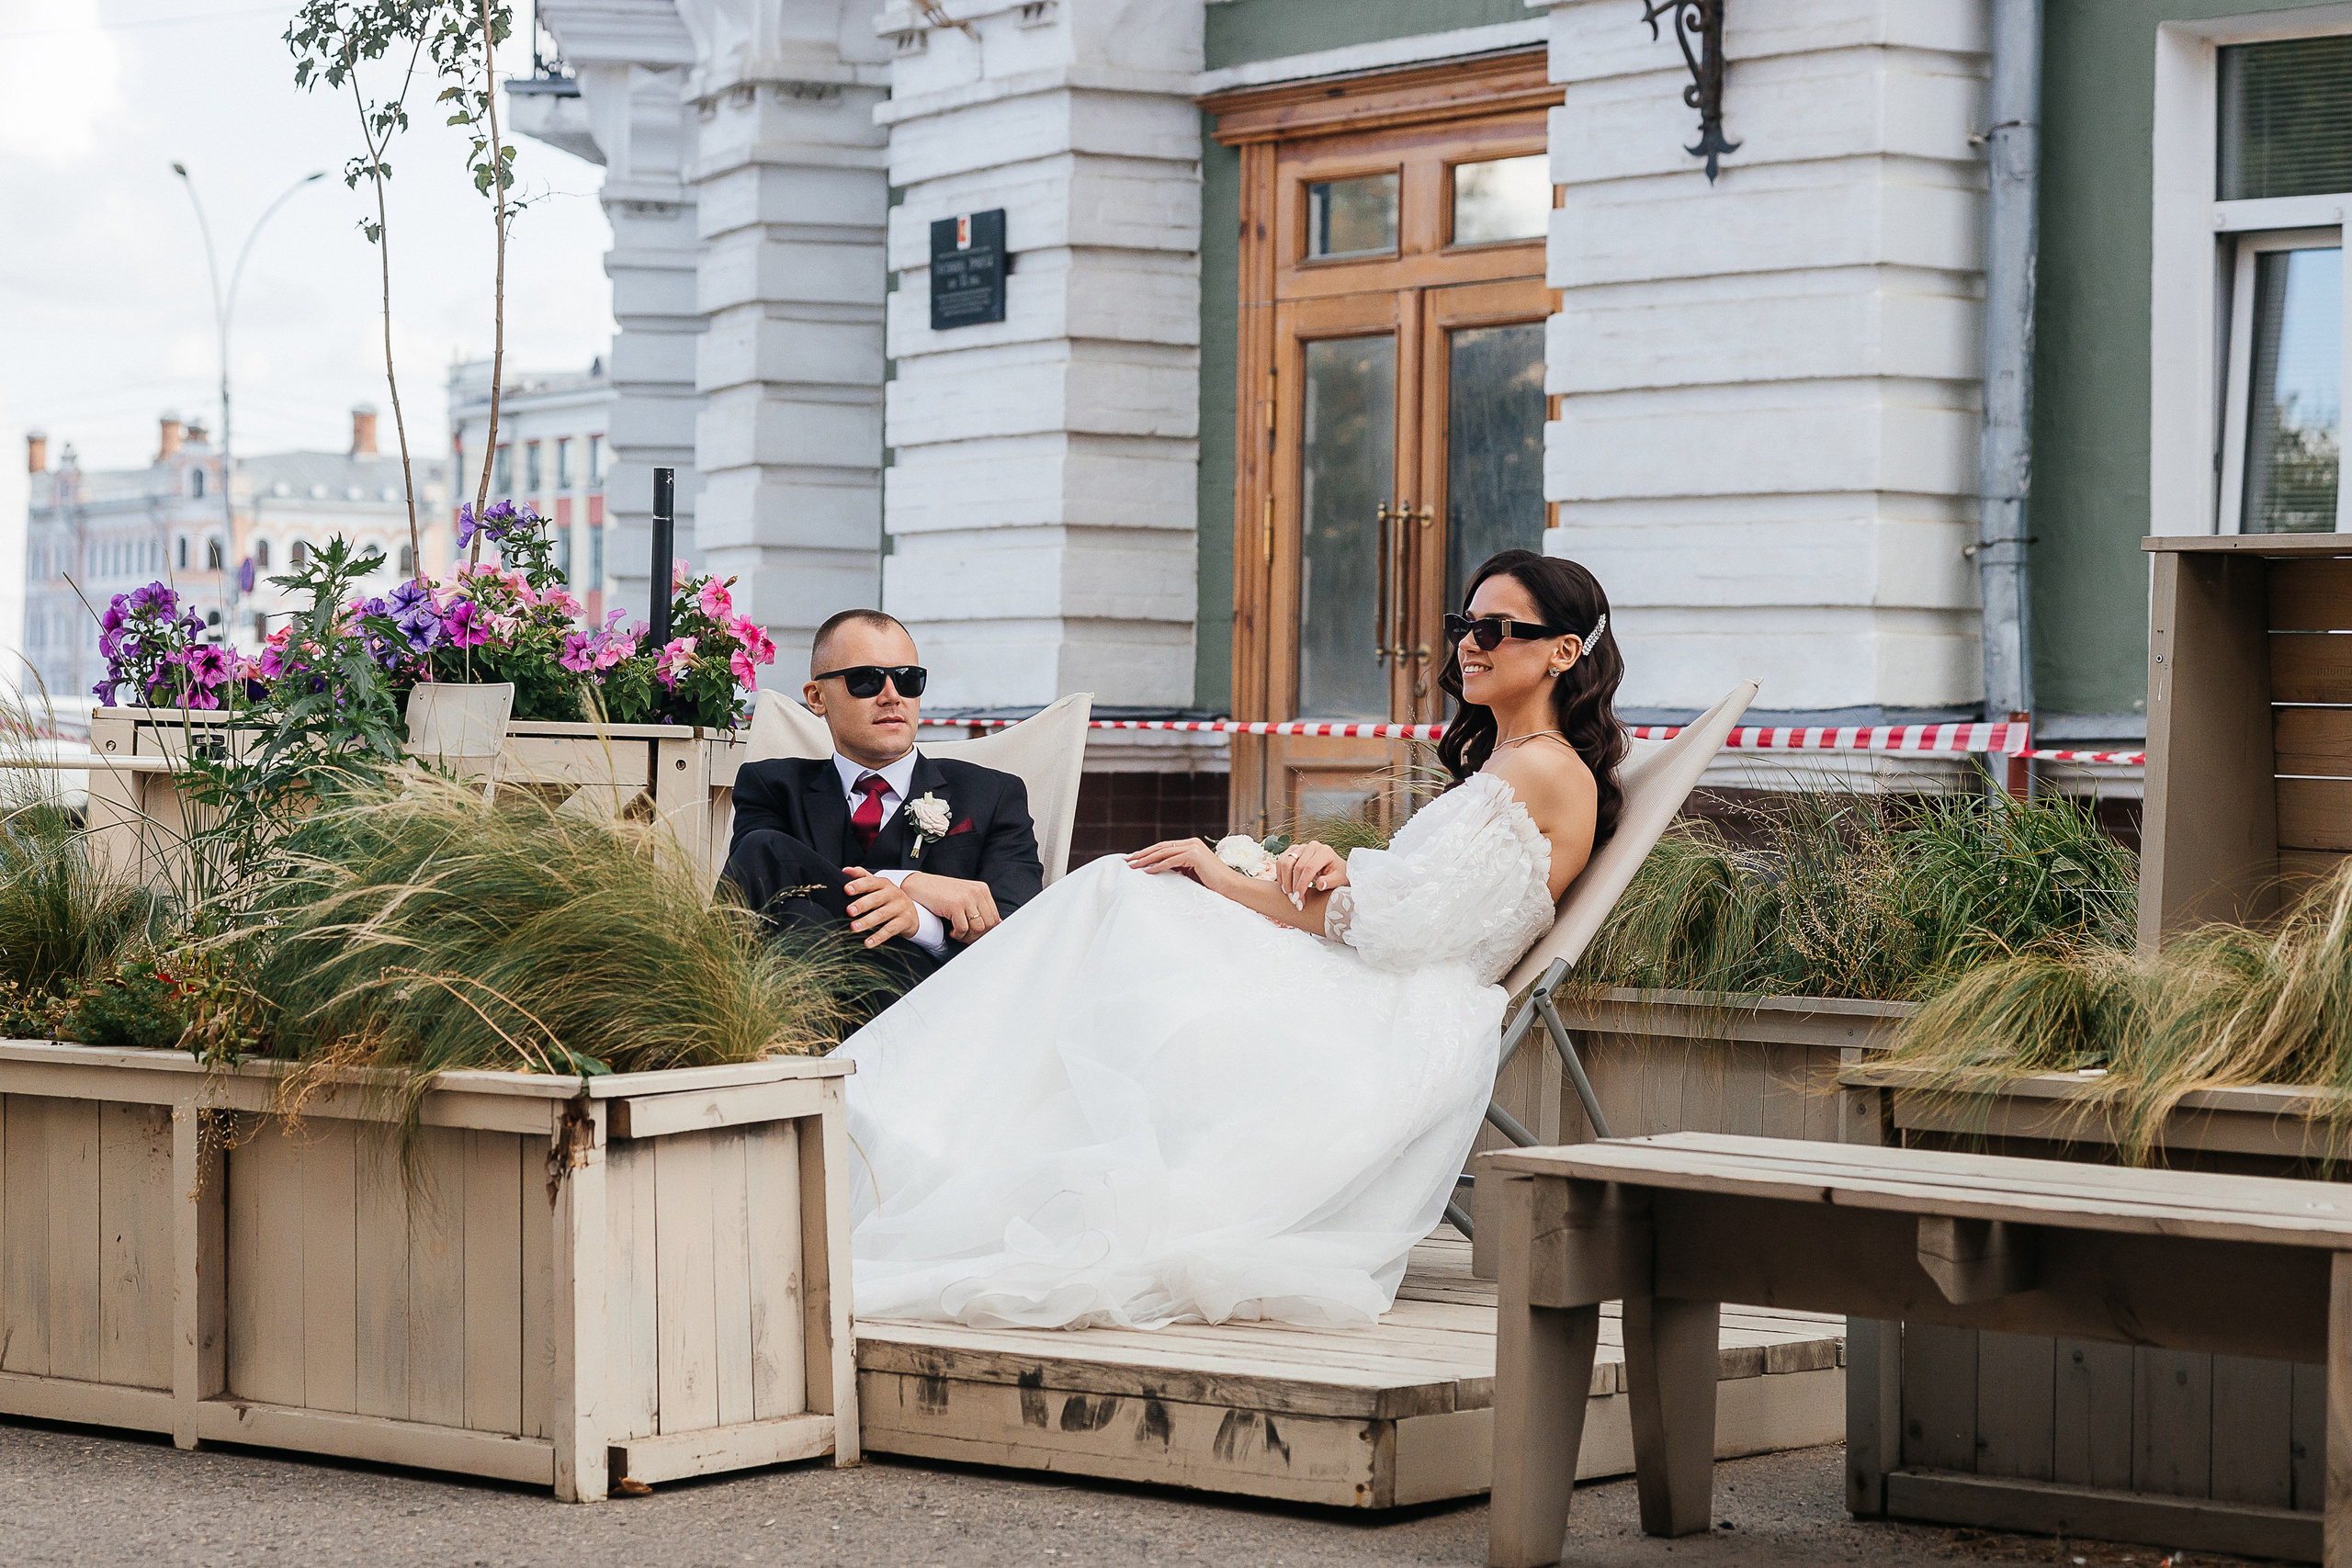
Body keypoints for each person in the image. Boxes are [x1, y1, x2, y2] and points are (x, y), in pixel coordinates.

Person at [838, 549, 1625, 1330]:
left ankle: (900, 1124)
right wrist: (1334, 866)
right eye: (1464, 623)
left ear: (1563, 651)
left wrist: (1225, 876)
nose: (1469, 644)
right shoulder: (1509, 760)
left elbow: (1409, 924)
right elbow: (1425, 895)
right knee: (1120, 897)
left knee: (1122, 897)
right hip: (1373, 971)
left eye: (1494, 628)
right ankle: (913, 1131)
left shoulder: (1547, 770)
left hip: (1391, 1009)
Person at [723, 609, 1046, 987]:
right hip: (802, 991)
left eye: (908, 680)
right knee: (785, 889)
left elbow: (1021, 931)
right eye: (866, 680)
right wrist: (909, 882)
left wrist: (920, 922)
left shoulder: (993, 794)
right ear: (817, 697)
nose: (892, 696)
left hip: (930, 999)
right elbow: (750, 891)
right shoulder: (771, 785)